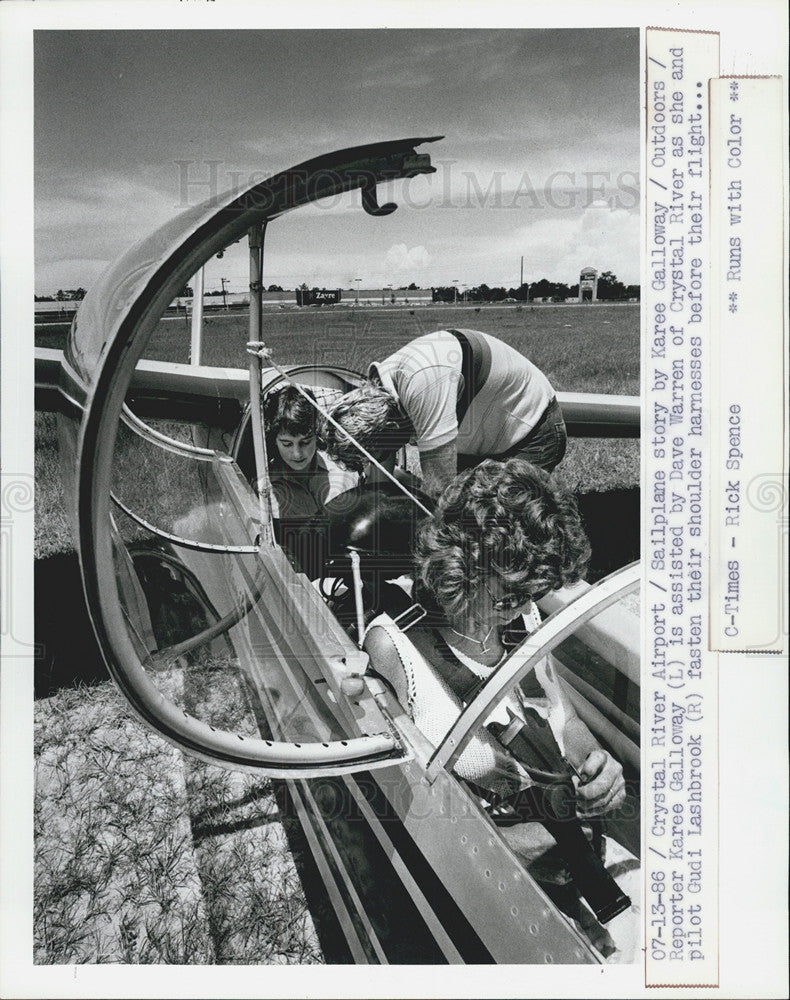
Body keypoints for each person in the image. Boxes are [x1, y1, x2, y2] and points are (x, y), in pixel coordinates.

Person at [363, 458, 638, 961]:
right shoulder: (395, 646)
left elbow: (562, 722)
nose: (522, 604)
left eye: (533, 591)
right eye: (511, 590)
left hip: (569, 849)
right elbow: (412, 808)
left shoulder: (522, 617)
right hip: (487, 873)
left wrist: (595, 763)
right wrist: (518, 852)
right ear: (463, 559)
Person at [325, 329, 566, 497]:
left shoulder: (423, 383)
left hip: (532, 428)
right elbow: (381, 467)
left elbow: (440, 489)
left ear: (391, 429)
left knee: (502, 521)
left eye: (379, 451)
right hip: (478, 436)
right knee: (469, 512)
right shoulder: (379, 394)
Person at [262, 384, 356, 519]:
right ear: (274, 441)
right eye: (287, 444)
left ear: (317, 434)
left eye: (305, 442)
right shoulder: (265, 489)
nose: (297, 454)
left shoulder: (345, 472)